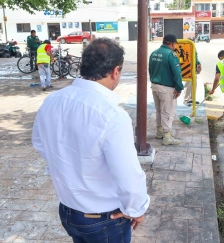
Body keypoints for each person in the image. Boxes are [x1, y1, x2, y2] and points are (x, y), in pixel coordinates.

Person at [32, 38, 150, 242]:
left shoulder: (52, 101)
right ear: (116, 71)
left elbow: (40, 143)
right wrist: (136, 209)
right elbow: (129, 174)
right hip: (104, 219)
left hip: (69, 212)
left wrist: (70, 167)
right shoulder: (112, 115)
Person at [149, 34, 184, 145]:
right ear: (172, 44)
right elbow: (177, 73)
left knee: (159, 110)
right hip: (167, 88)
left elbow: (150, 70)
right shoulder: (171, 55)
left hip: (155, 86)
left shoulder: (154, 53)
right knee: (168, 112)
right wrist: (179, 88)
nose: (175, 47)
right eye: (175, 45)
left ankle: (159, 132)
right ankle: (167, 137)